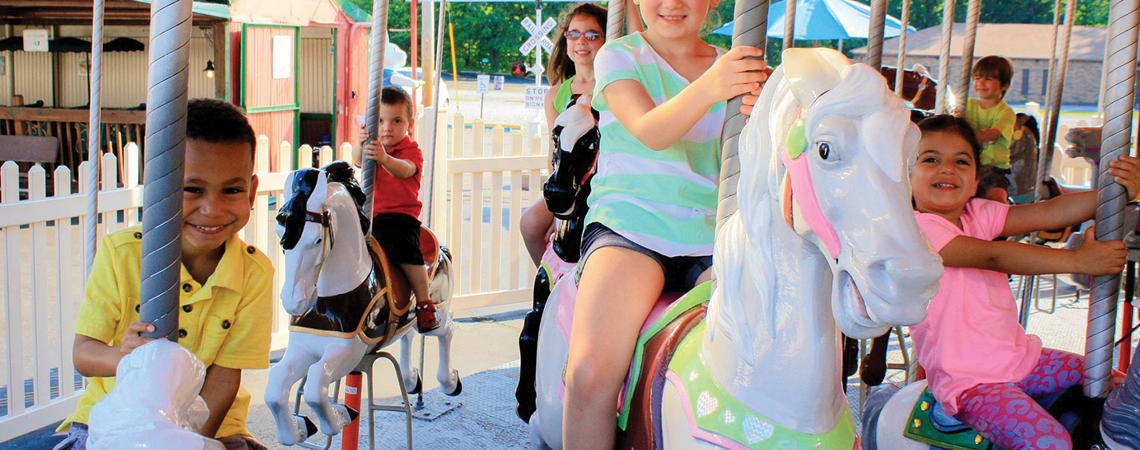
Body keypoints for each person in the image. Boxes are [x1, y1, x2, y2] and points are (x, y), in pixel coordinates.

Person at [559, 0, 767, 444]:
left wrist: (759, 115)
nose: (672, 4)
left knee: (757, 364)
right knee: (589, 374)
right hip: (632, 228)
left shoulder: (732, 65)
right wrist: (715, 86)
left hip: (713, 234)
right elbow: (651, 130)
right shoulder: (619, 56)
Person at [54, 98, 273, 450]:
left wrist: (189, 443)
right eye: (192, 189)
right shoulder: (122, 254)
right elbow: (84, 353)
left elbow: (224, 379)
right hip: (114, 419)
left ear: (252, 191)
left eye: (232, 190)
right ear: (159, 188)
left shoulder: (254, 273)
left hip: (211, 424)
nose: (212, 209)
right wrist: (124, 357)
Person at [909, 114, 1138, 450]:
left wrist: (1116, 194)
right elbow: (993, 257)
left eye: (961, 161)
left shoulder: (977, 214)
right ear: (904, 176)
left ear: (974, 182)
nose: (947, 169)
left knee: (1112, 383)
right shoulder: (916, 230)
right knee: (1049, 442)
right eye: (931, 160)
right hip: (972, 382)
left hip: (1025, 361)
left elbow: (1048, 212)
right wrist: (1076, 261)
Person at [519, 3, 609, 266]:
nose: (582, 41)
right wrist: (557, 214)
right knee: (531, 224)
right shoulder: (556, 95)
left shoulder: (615, 85)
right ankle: (550, 284)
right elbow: (554, 155)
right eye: (574, 34)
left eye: (592, 35)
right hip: (572, 182)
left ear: (607, 39)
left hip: (604, 183)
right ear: (565, 39)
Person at [353, 86, 439, 333]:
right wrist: (361, 144)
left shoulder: (411, 151)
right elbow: (358, 160)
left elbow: (404, 170)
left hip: (400, 218)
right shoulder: (374, 145)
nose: (387, 128)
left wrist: (384, 159)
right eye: (380, 121)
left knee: (406, 249)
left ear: (409, 124)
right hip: (371, 215)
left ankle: (424, 303)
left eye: (396, 121)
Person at [957, 55, 1017, 203]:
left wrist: (964, 142)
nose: (980, 83)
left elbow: (993, 135)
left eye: (988, 79)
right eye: (977, 78)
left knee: (996, 200)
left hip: (993, 169)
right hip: (967, 165)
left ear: (1004, 85)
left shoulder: (1005, 112)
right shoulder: (968, 105)